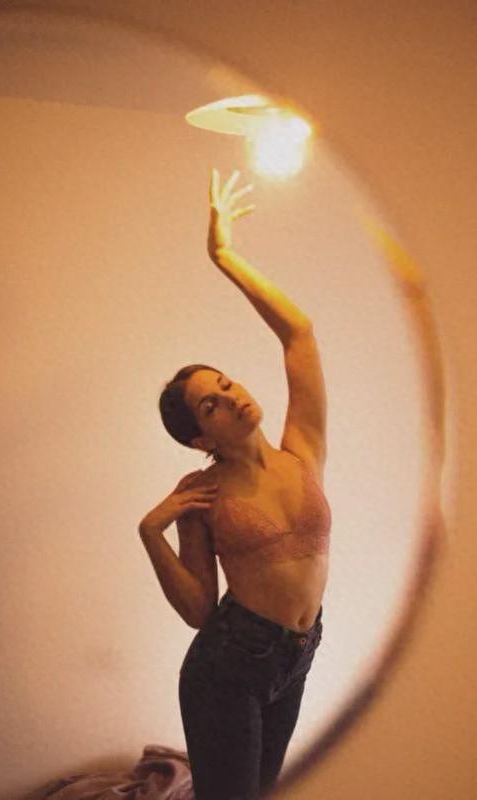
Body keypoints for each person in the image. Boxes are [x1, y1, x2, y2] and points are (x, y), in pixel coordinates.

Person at [138, 168, 331, 800]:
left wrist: (225, 255)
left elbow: (299, 333)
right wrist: (151, 533)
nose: (231, 396)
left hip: (297, 655)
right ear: (202, 438)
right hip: (226, 672)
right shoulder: (203, 493)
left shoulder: (302, 451)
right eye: (211, 405)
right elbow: (200, 610)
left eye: (225, 384)